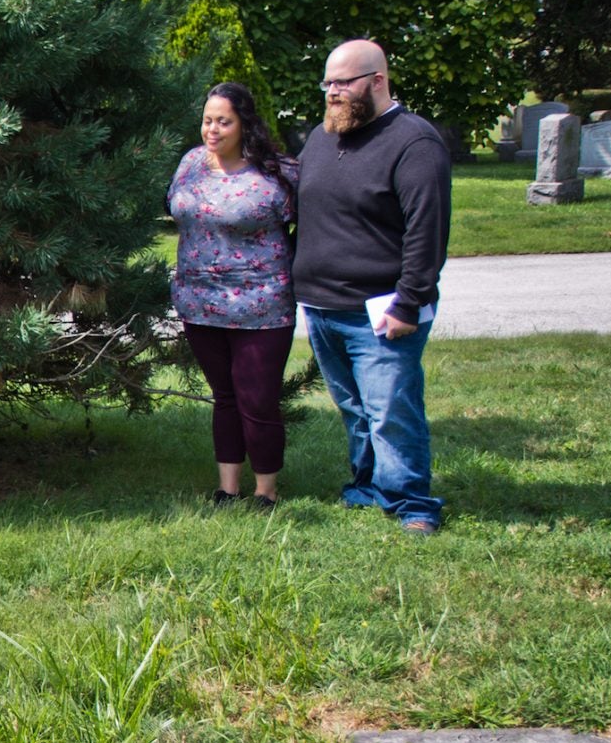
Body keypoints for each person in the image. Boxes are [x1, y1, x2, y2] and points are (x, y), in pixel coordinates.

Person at [293, 39, 450, 536]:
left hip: (381, 310)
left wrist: (409, 302)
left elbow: (427, 232)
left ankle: (412, 504)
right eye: (328, 83)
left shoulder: (413, 143)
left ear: (377, 81)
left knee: (390, 411)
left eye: (344, 82)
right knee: (356, 410)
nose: (333, 92)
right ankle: (368, 485)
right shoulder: (322, 137)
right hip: (322, 306)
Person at [167, 82, 300, 508]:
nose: (213, 129)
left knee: (257, 400)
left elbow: (309, 226)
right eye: (208, 120)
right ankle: (227, 488)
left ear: (245, 124)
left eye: (224, 121)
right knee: (224, 397)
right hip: (199, 303)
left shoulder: (277, 172)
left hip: (261, 304)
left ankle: (266, 491)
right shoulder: (191, 163)